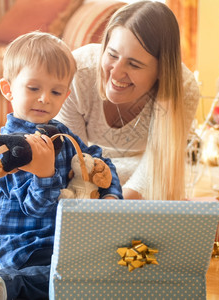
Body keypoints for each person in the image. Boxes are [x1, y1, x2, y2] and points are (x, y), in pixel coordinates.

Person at [0, 31, 122, 300]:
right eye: (34, 88)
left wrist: (111, 192)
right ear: (8, 88)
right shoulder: (9, 149)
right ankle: (11, 284)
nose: (45, 98)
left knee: (99, 271)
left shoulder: (63, 133)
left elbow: (98, 158)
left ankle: (31, 284)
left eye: (56, 91)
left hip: (66, 239)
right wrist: (45, 173)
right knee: (70, 276)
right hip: (26, 246)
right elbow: (33, 208)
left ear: (65, 94)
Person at [55, 1, 200, 201]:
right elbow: (73, 161)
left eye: (134, 64)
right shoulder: (77, 72)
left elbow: (157, 167)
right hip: (88, 175)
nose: (116, 72)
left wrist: (114, 204)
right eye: (112, 54)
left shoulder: (185, 89)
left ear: (161, 70)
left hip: (143, 176)